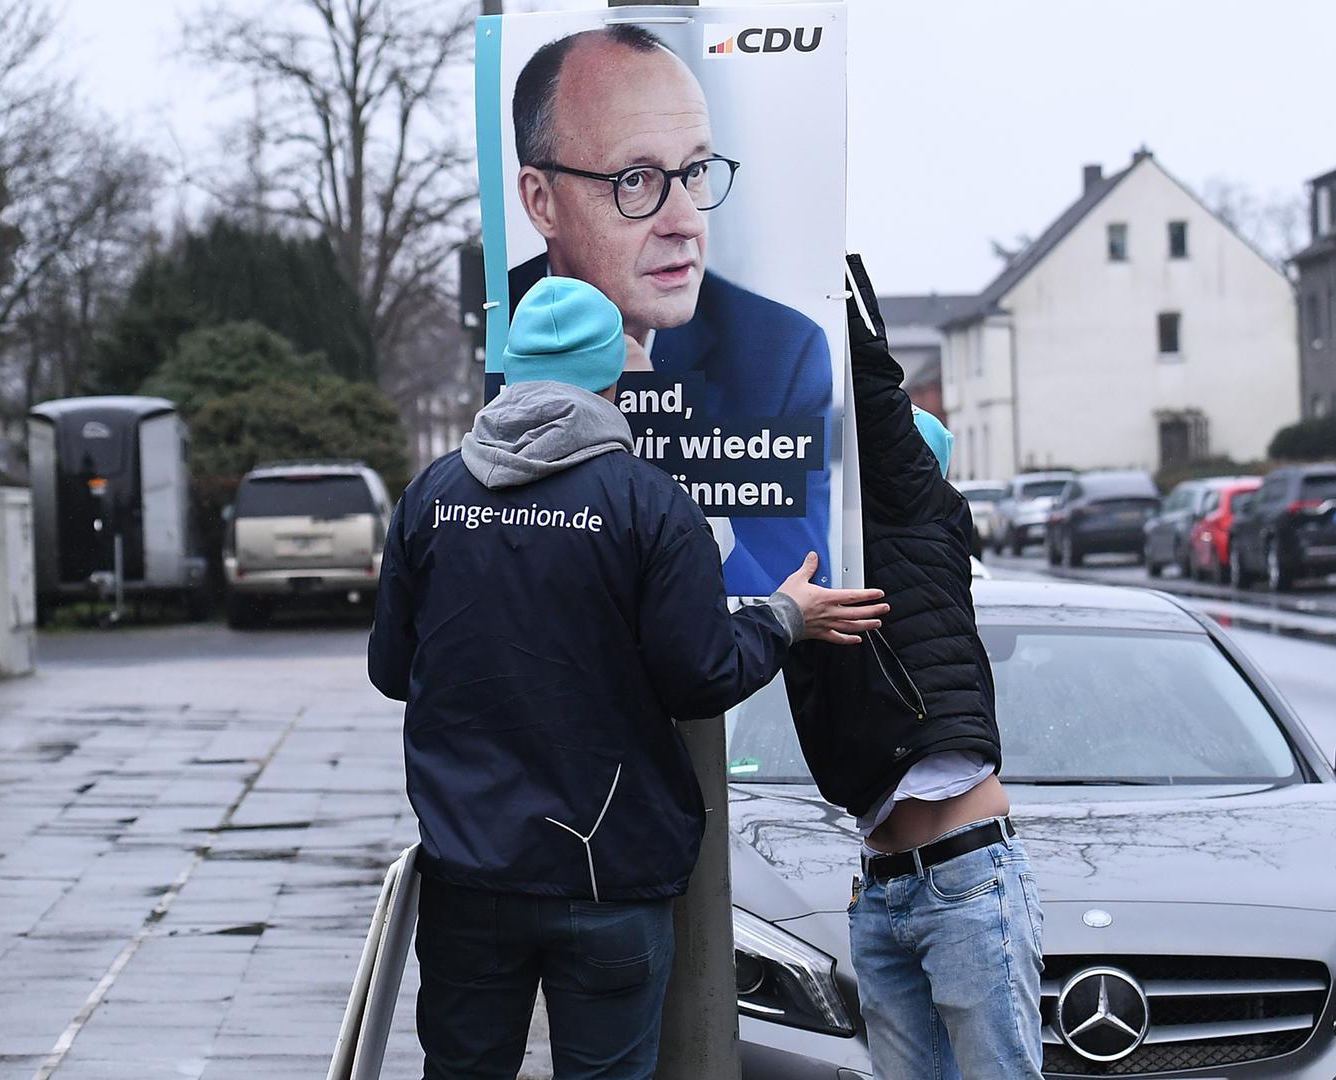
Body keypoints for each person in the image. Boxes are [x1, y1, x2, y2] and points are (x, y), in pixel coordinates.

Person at [369, 276, 888, 1080]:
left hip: (468, 875)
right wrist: (784, 617)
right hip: (605, 874)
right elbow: (700, 677)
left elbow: (391, 670)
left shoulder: (431, 498)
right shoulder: (649, 505)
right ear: (615, 375)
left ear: (510, 371)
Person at [784, 256, 1043, 1079]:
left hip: (965, 878)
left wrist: (815, 255)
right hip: (883, 888)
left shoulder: (921, 510)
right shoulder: (820, 569)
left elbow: (875, 396)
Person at [507, 24, 831, 597]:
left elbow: (794, 599)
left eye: (697, 171)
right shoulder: (502, 325)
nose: (687, 221)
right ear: (541, 201)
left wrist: (659, 435)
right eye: (636, 180)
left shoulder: (777, 354)